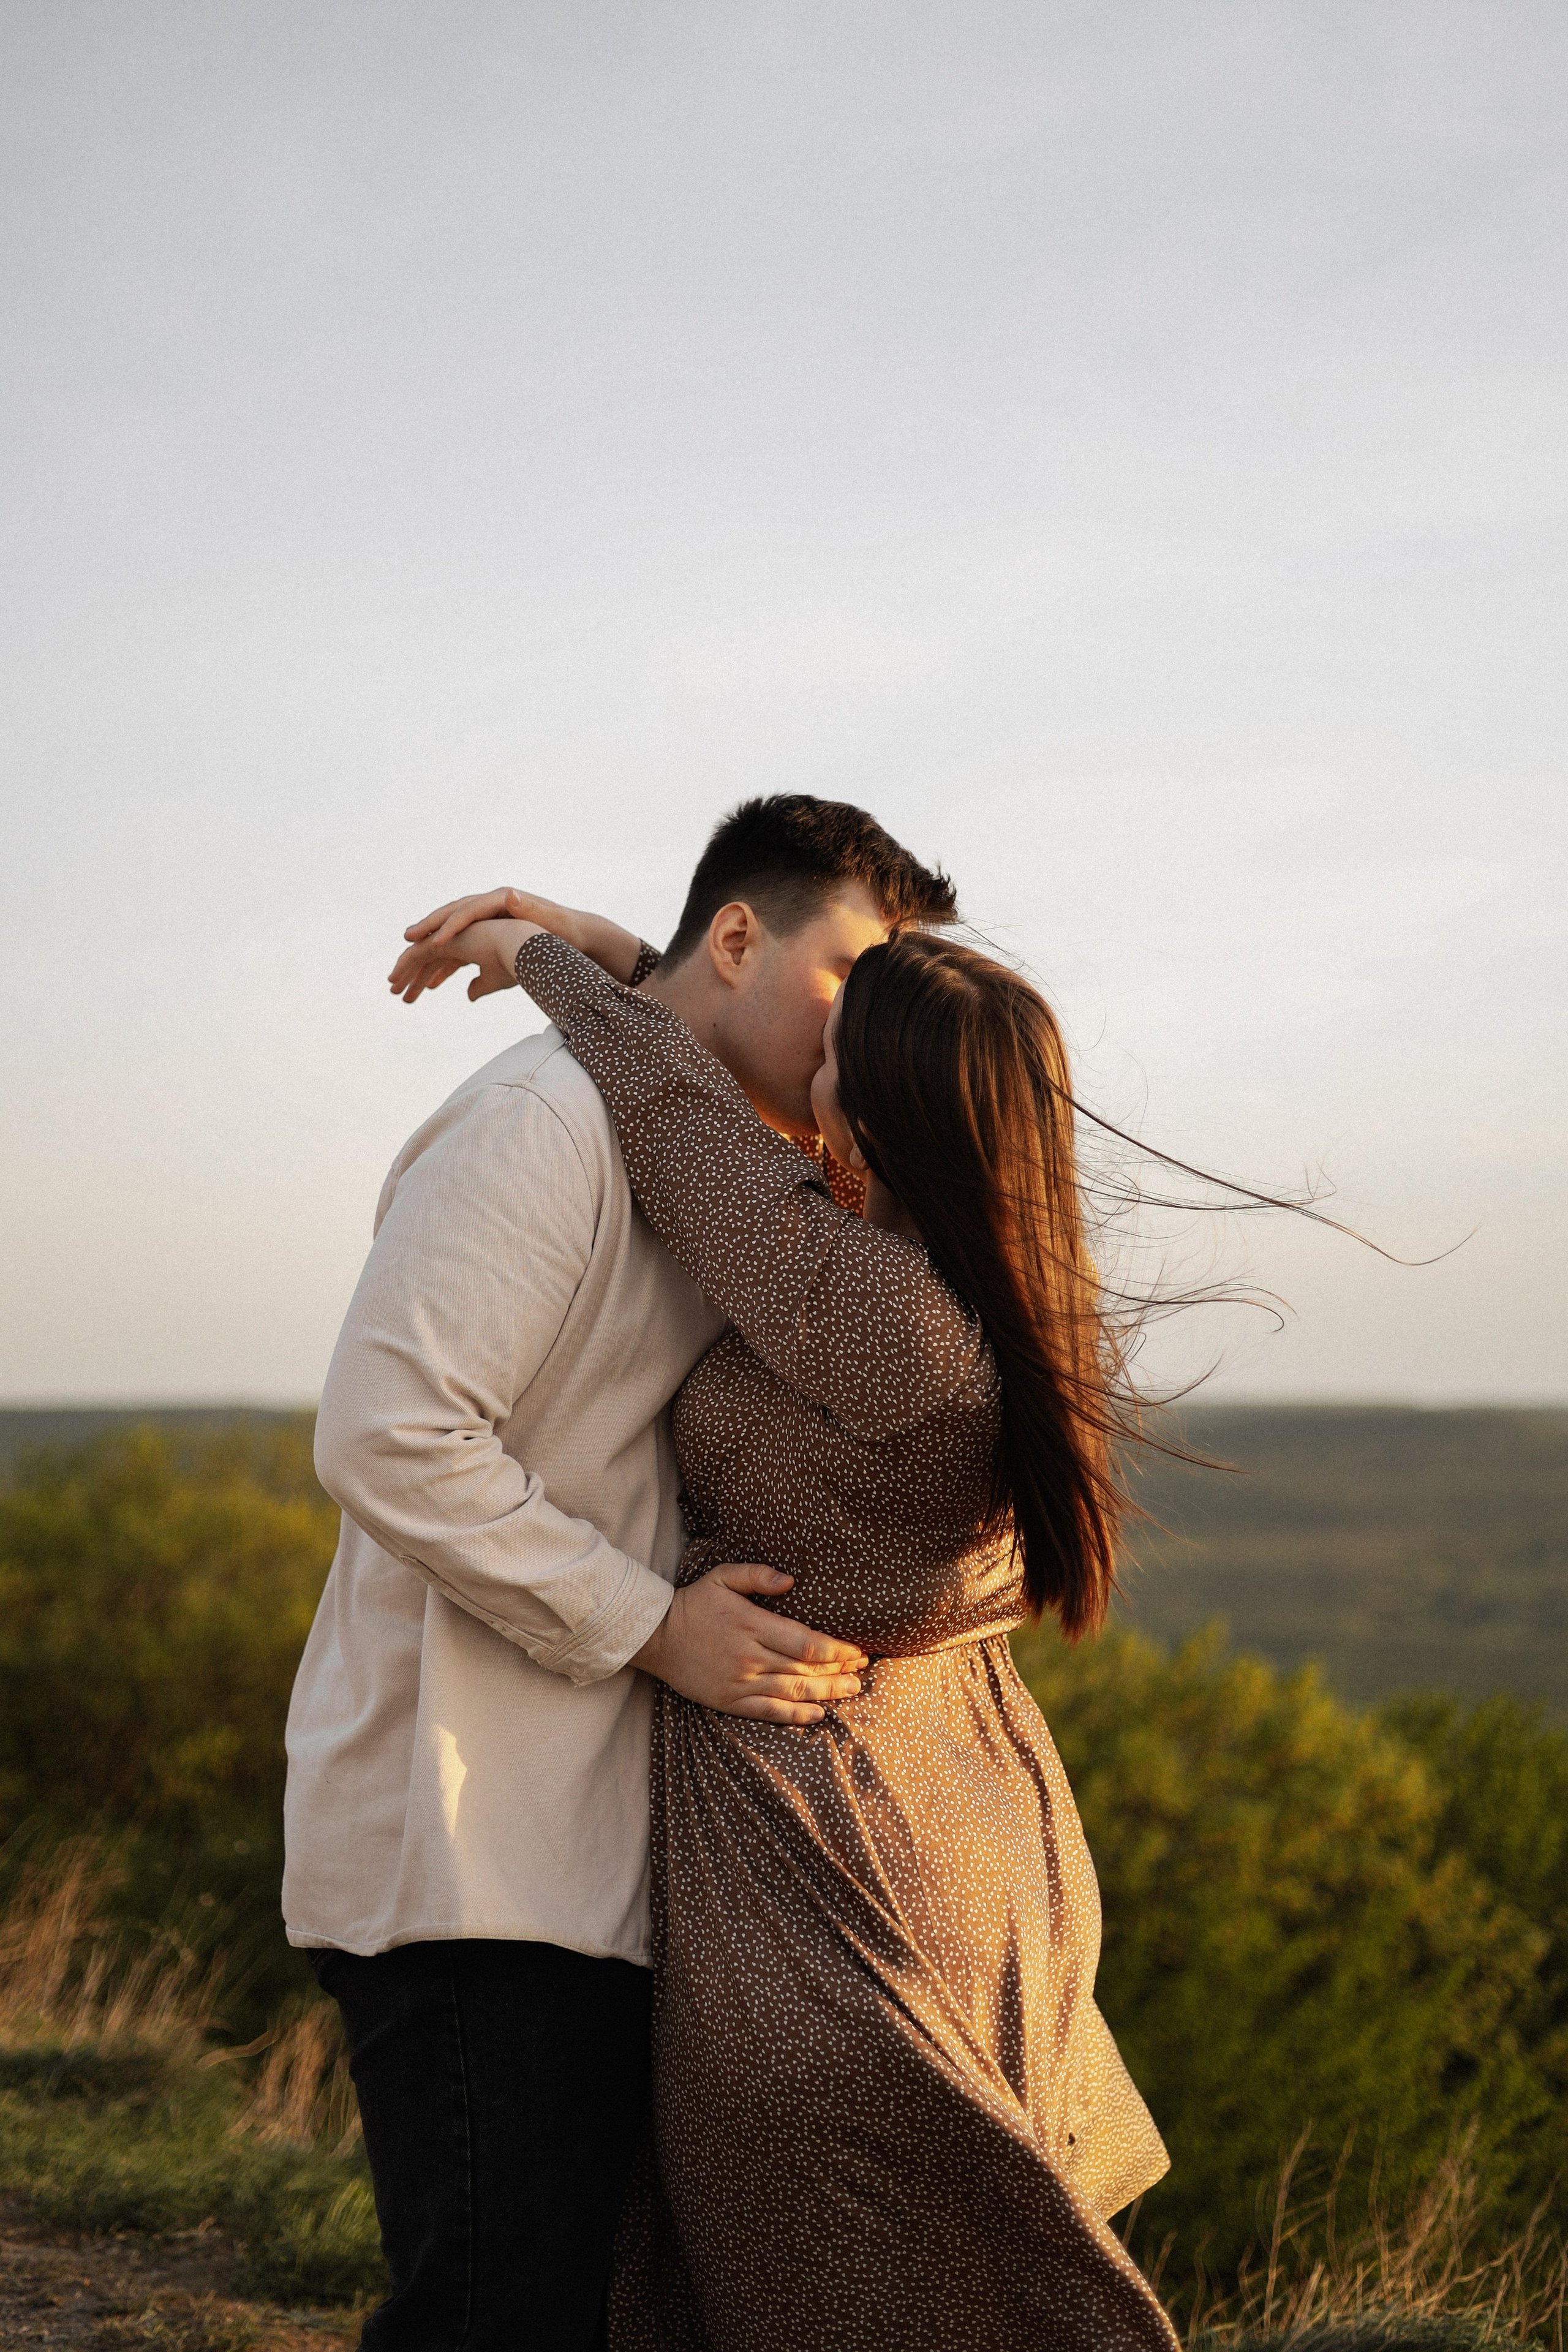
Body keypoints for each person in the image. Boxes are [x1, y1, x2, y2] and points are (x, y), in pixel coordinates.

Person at [389, 878, 1181, 2351]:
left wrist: (541, 958)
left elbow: (685, 1127)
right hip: (962, 1836)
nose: (796, 1073)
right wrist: (663, 962)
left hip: (825, 1882)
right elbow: (712, 1093)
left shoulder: (868, 1311)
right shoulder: (1001, 1296)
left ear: (869, 1113)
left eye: (831, 1049)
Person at [285, 796, 958, 2352]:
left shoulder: (716, 1148)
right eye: (849, 975)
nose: (873, 1024)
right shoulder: (543, 1124)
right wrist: (653, 1627)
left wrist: (594, 952)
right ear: (736, 937)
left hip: (599, 1850)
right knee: (495, 2322)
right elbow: (389, 1434)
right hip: (465, 1838)